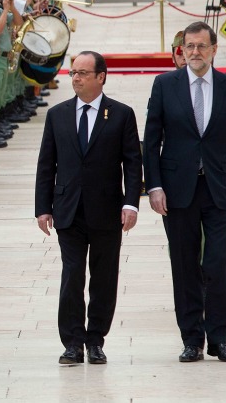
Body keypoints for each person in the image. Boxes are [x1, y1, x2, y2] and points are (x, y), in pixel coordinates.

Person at [144, 21, 226, 363]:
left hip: (218, 188)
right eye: (189, 46)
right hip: (177, 190)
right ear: (182, 50)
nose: (195, 52)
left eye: (201, 46)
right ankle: (192, 339)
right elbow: (152, 140)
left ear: (214, 50)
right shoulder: (164, 85)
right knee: (185, 264)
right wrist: (154, 186)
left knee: (218, 263)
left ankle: (220, 338)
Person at [34, 51, 142, 365]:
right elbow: (46, 164)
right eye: (73, 73)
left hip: (108, 210)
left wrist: (131, 204)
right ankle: (72, 342)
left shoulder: (121, 114)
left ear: (101, 77)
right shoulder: (58, 114)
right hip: (68, 210)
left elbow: (133, 165)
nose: (76, 78)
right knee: (72, 277)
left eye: (83, 73)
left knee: (104, 278)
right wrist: (43, 207)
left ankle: (96, 339)